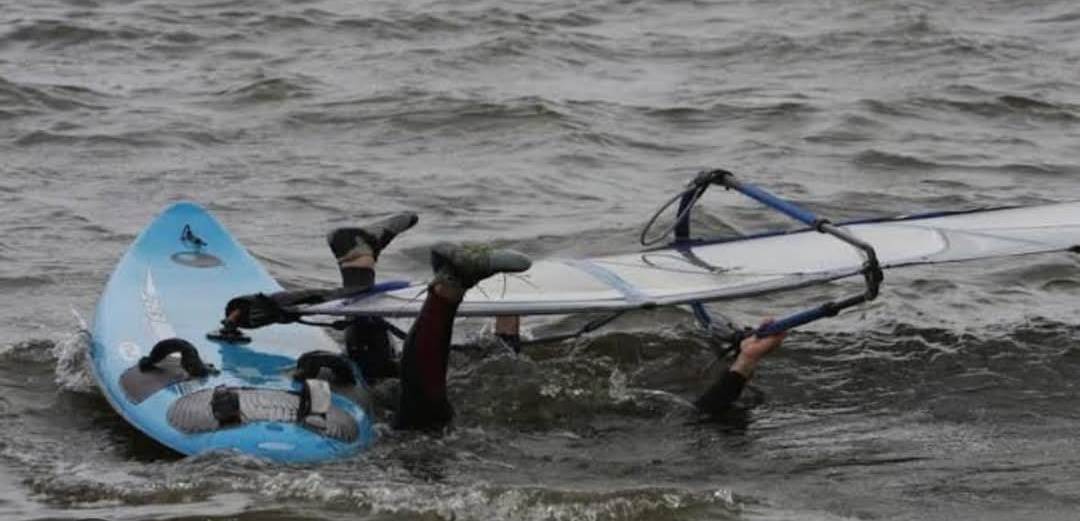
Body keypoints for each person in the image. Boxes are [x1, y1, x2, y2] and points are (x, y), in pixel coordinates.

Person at [233, 213, 787, 430]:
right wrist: (744, 363)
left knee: (395, 386)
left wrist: (509, 316)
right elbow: (697, 418)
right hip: (446, 397)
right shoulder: (646, 418)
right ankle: (443, 284)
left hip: (447, 386)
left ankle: (359, 261)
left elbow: (696, 418)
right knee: (419, 417)